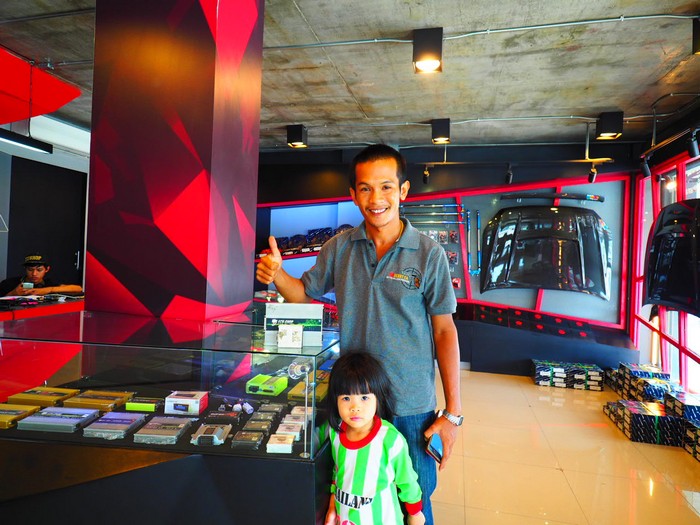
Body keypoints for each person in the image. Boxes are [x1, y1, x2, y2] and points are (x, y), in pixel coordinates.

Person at [257, 143, 462, 525]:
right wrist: (277, 274)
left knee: (415, 502)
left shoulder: (429, 253)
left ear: (403, 190)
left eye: (386, 187)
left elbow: (444, 330)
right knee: (357, 500)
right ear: (353, 194)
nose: (376, 198)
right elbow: (303, 294)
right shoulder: (339, 248)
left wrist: (453, 413)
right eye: (365, 188)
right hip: (355, 401)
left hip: (411, 405)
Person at [324, 351, 425, 525]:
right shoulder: (335, 433)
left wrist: (415, 514)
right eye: (346, 398)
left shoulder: (390, 440)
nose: (355, 407)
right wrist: (333, 502)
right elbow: (338, 471)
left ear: (378, 398)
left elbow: (407, 480)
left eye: (364, 397)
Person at [0, 253, 83, 297]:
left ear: (47, 269)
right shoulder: (10, 283)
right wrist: (13, 293)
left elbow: (78, 288)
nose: (34, 274)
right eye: (30, 270)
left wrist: (47, 290)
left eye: (39, 270)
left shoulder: (48, 283)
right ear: (25, 269)